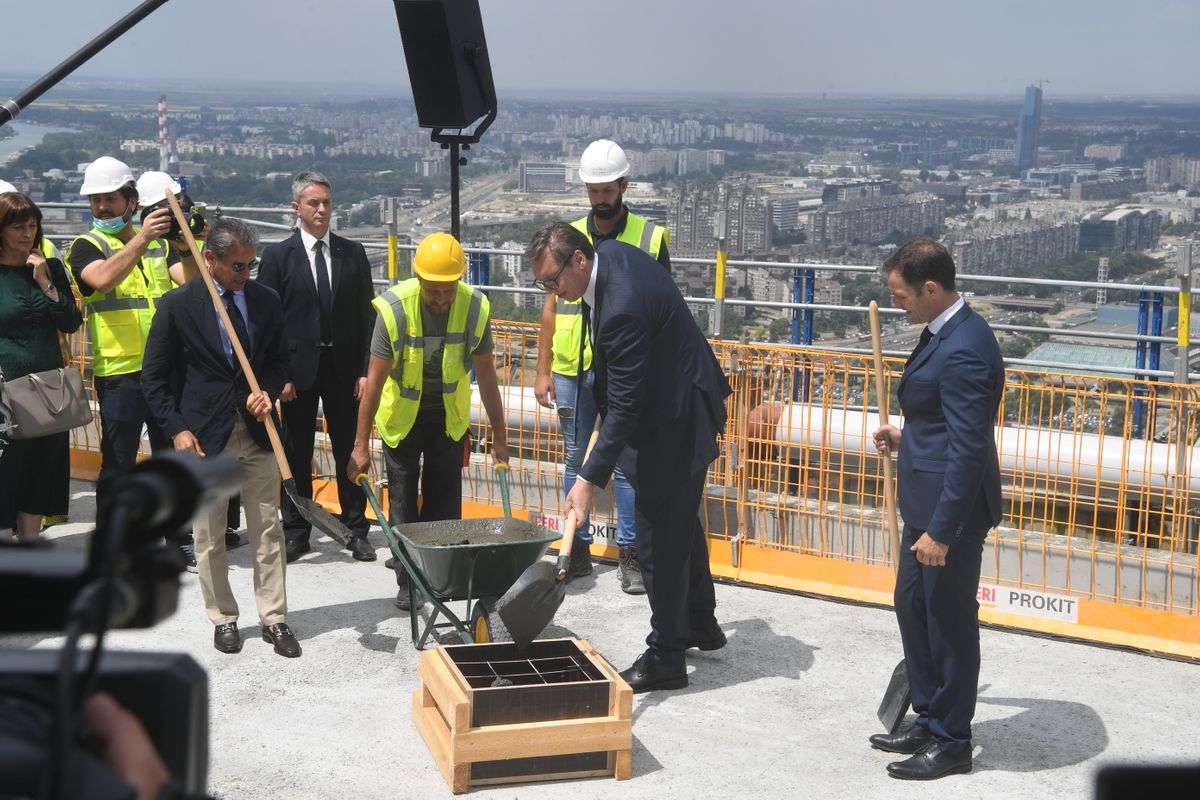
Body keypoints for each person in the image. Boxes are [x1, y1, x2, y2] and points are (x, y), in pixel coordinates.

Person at [527, 222, 730, 693]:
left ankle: (666, 655)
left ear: (579, 260)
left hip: (675, 422)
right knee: (681, 522)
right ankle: (700, 622)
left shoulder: (620, 308)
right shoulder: (612, 255)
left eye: (553, 280)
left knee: (659, 536)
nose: (552, 292)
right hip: (676, 402)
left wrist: (585, 479)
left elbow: (623, 408)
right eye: (544, 285)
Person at [869, 239, 1004, 780]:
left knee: (948, 623)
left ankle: (952, 741)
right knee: (912, 607)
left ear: (931, 288)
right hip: (924, 498)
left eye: (902, 296)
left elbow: (970, 448)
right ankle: (927, 714)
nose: (898, 305)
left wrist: (943, 532)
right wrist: (907, 439)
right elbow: (943, 425)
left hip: (950, 514)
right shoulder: (942, 331)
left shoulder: (967, 344)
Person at [141, 217, 299, 658]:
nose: (246, 275)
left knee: (268, 528)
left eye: (251, 265)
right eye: (237, 267)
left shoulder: (265, 300)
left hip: (257, 433)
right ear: (210, 259)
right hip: (204, 437)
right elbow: (153, 379)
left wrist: (266, 390)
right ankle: (223, 618)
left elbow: (280, 360)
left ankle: (275, 618)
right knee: (208, 535)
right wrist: (177, 429)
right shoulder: (178, 306)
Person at [534, 139, 670, 593]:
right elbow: (552, 308)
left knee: (627, 460)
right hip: (575, 365)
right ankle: (578, 551)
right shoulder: (569, 236)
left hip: (626, 367)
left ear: (623, 185)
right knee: (576, 456)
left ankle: (631, 553)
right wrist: (543, 367)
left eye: (607, 190)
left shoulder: (650, 237)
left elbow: (661, 304)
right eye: (593, 190)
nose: (599, 199)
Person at [346, 232, 509, 608]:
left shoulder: (474, 309)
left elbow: (487, 377)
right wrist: (360, 446)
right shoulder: (395, 310)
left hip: (448, 417)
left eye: (447, 290)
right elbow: (373, 383)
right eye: (432, 289)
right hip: (402, 417)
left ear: (459, 281)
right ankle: (408, 580)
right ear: (418, 279)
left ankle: (439, 577)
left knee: (445, 502)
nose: (440, 298)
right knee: (403, 501)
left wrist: (500, 439)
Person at [64, 157, 195, 565]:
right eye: (95, 201)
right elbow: (101, 280)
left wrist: (186, 241)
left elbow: (190, 282)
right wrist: (139, 240)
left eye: (109, 199)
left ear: (131, 200)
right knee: (118, 462)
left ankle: (177, 537)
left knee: (171, 457)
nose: (101, 208)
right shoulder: (87, 246)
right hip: (119, 373)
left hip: (164, 369)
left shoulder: (158, 245)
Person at [258, 171, 375, 564]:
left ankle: (356, 528)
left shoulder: (351, 253)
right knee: (295, 451)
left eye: (326, 202)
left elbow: (365, 317)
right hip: (296, 373)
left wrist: (364, 370)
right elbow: (267, 320)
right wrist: (280, 377)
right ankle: (296, 530)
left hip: (343, 369)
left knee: (349, 447)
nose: (322, 209)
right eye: (314, 203)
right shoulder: (277, 257)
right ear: (297, 208)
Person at [0, 192, 83, 541]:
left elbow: (70, 321)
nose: (27, 234)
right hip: (6, 391)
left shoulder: (50, 267)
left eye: (32, 225)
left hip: (48, 389)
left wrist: (45, 281)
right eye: (18, 227)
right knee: (5, 473)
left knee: (39, 471)